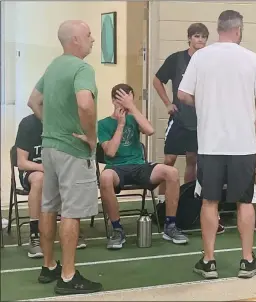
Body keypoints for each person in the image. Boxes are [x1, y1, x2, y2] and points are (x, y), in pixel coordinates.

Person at [178, 10, 256, 280]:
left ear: (218, 29)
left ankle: (209, 261)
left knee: (209, 200)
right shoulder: (250, 58)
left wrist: (207, 103)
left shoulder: (200, 56)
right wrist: (240, 104)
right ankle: (247, 260)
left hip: (211, 143)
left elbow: (183, 94)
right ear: (238, 30)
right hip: (242, 144)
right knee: (245, 201)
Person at [27, 20, 102, 294]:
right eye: (88, 35)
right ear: (75, 40)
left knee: (49, 206)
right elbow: (85, 103)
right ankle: (68, 277)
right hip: (72, 150)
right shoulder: (82, 68)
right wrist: (91, 136)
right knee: (71, 212)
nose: (93, 39)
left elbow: (33, 101)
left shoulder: (53, 67)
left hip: (50, 148)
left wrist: (51, 127)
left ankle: (49, 266)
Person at [98, 84, 188, 249]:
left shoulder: (135, 118)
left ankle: (170, 225)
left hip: (139, 166)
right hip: (117, 169)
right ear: (113, 100)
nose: (123, 104)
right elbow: (110, 152)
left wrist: (131, 107)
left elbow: (150, 130)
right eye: (120, 99)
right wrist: (120, 125)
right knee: (105, 177)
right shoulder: (103, 124)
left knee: (172, 172)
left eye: (127, 98)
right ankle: (117, 229)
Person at [15, 114, 86, 259]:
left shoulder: (61, 122)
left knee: (71, 176)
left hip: (56, 171)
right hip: (32, 171)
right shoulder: (28, 124)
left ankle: (70, 230)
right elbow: (22, 162)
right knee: (41, 179)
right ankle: (34, 235)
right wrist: (46, 168)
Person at [153, 23, 209, 203]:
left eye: (203, 37)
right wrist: (168, 103)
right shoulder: (176, 59)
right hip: (178, 118)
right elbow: (157, 80)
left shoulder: (208, 61)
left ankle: (188, 197)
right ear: (189, 38)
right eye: (197, 36)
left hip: (199, 119)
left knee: (193, 159)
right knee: (169, 159)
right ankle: (162, 199)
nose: (200, 40)